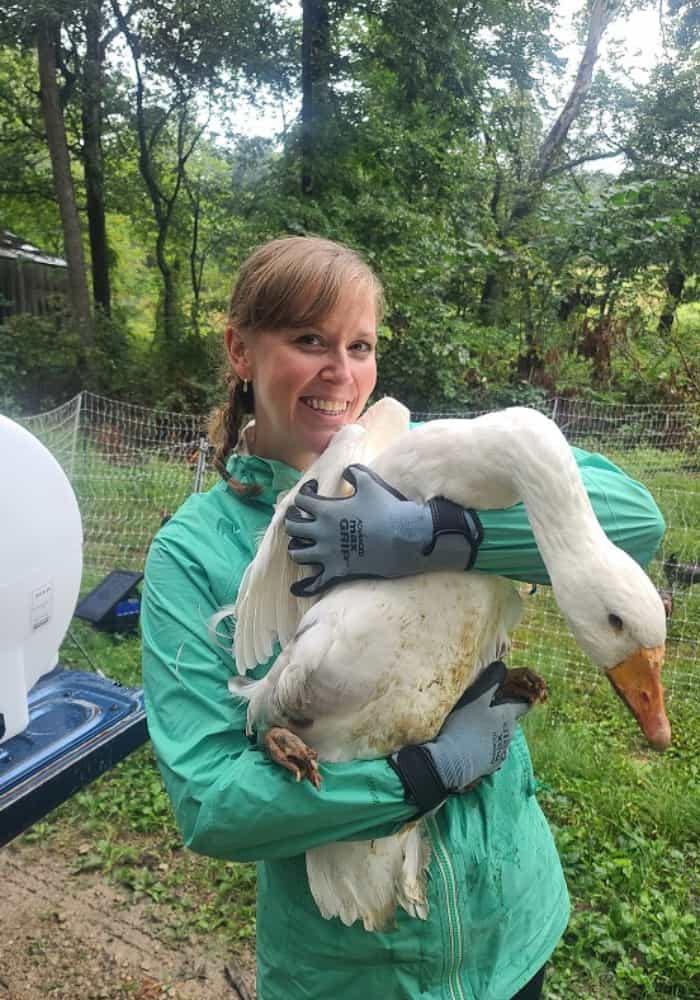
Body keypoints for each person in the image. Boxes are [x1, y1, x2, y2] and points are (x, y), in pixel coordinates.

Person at [141, 236, 665, 1000]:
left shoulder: (423, 461)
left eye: (361, 345)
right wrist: (422, 774)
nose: (341, 373)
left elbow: (634, 523)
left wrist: (435, 535)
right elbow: (210, 803)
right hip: (355, 970)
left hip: (511, 929)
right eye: (309, 340)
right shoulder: (194, 552)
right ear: (240, 350)